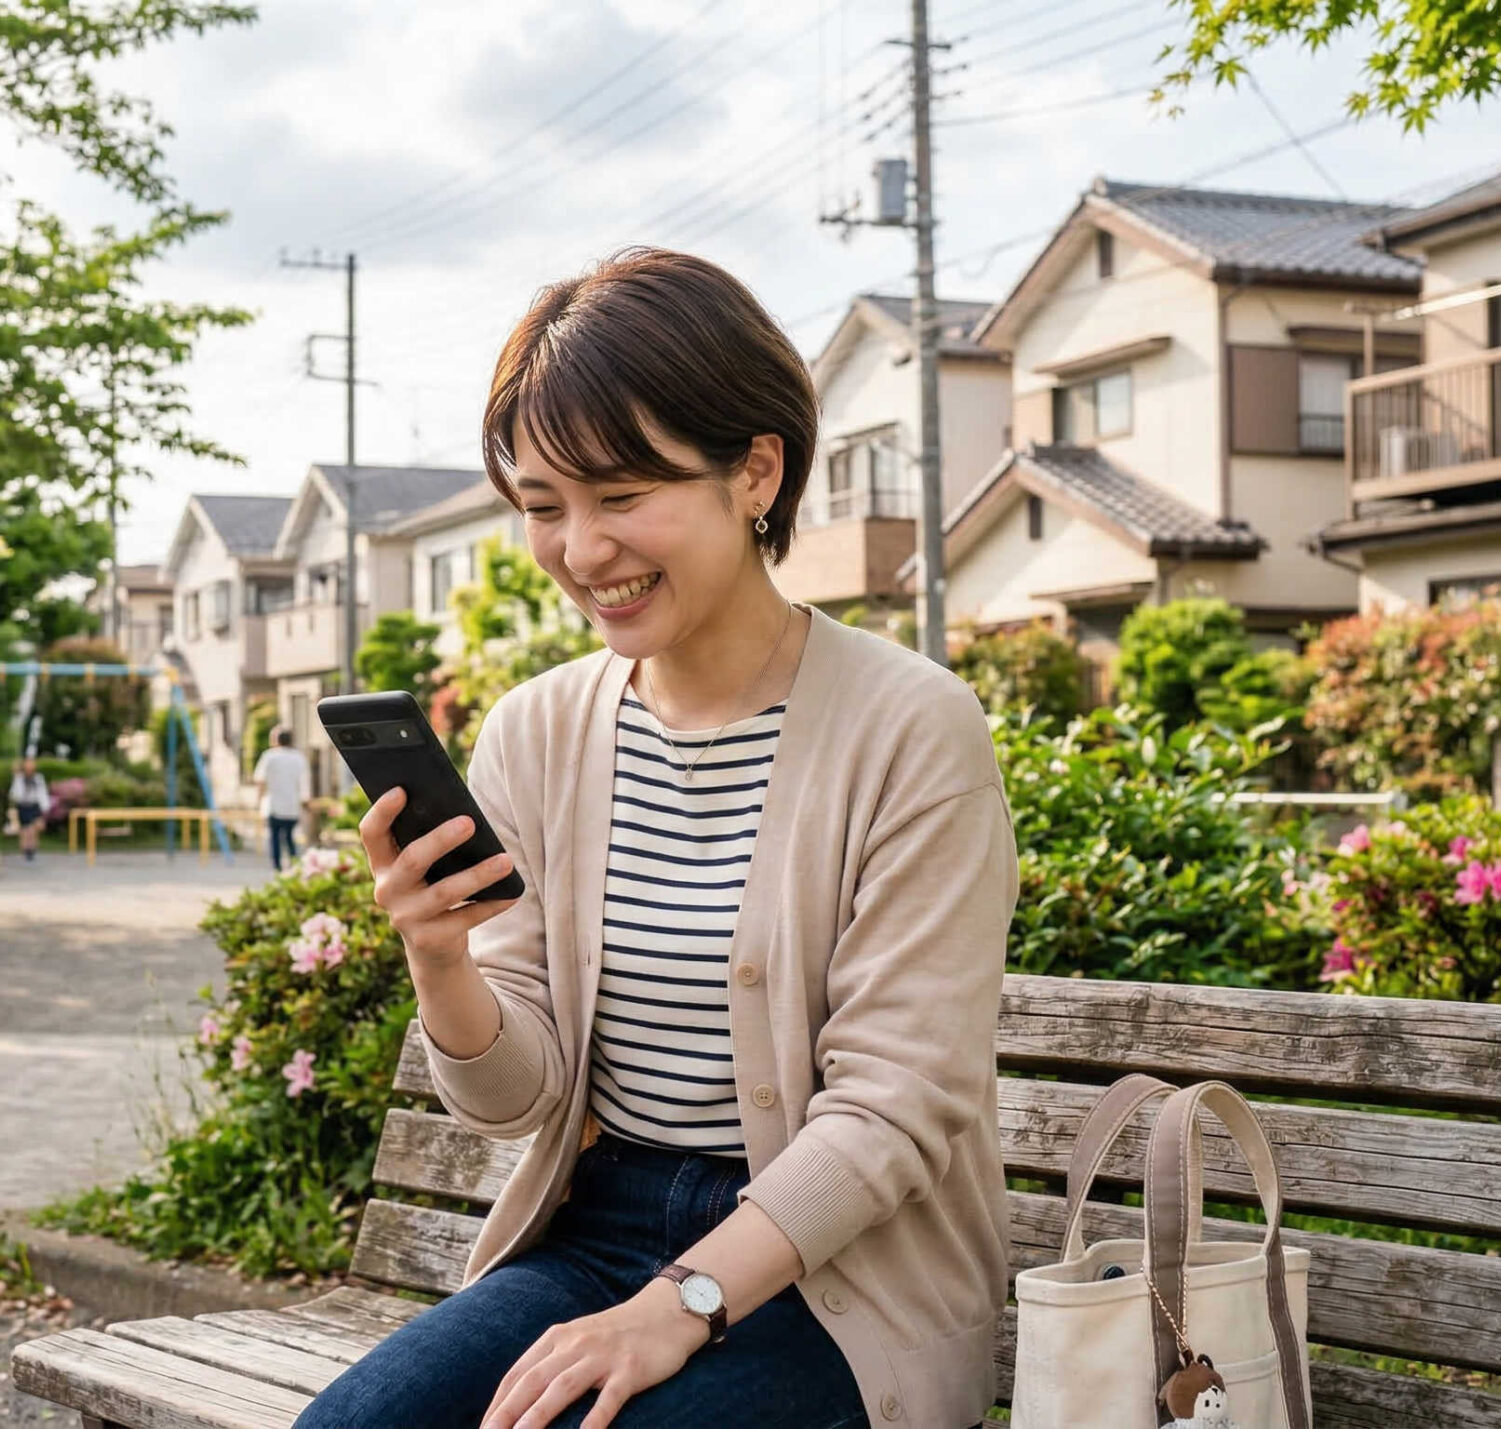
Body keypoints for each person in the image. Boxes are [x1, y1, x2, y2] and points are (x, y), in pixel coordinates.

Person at [295, 249, 1018, 1429]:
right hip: (597, 1229)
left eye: (623, 496)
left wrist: (680, 1302)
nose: (581, 551)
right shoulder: (537, 730)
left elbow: (893, 1106)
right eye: (542, 506)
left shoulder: (910, 725)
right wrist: (440, 960)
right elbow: (514, 1099)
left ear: (756, 471)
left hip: (843, 1274)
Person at [251, 725, 309, 872]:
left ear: (275, 740)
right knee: (289, 837)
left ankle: (277, 867)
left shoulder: (269, 756)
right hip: (292, 805)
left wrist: (258, 801)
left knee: (275, 837)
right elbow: (304, 782)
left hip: (274, 804)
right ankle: (294, 865)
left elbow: (260, 780)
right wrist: (305, 801)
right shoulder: (299, 757)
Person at [8, 757, 51, 863]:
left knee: (34, 828)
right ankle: (26, 850)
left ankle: (32, 848)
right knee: (25, 830)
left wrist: (45, 806)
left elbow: (42, 793)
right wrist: (16, 776)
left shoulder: (38, 778)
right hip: (23, 806)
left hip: (34, 805)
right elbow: (15, 794)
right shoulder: (19, 778)